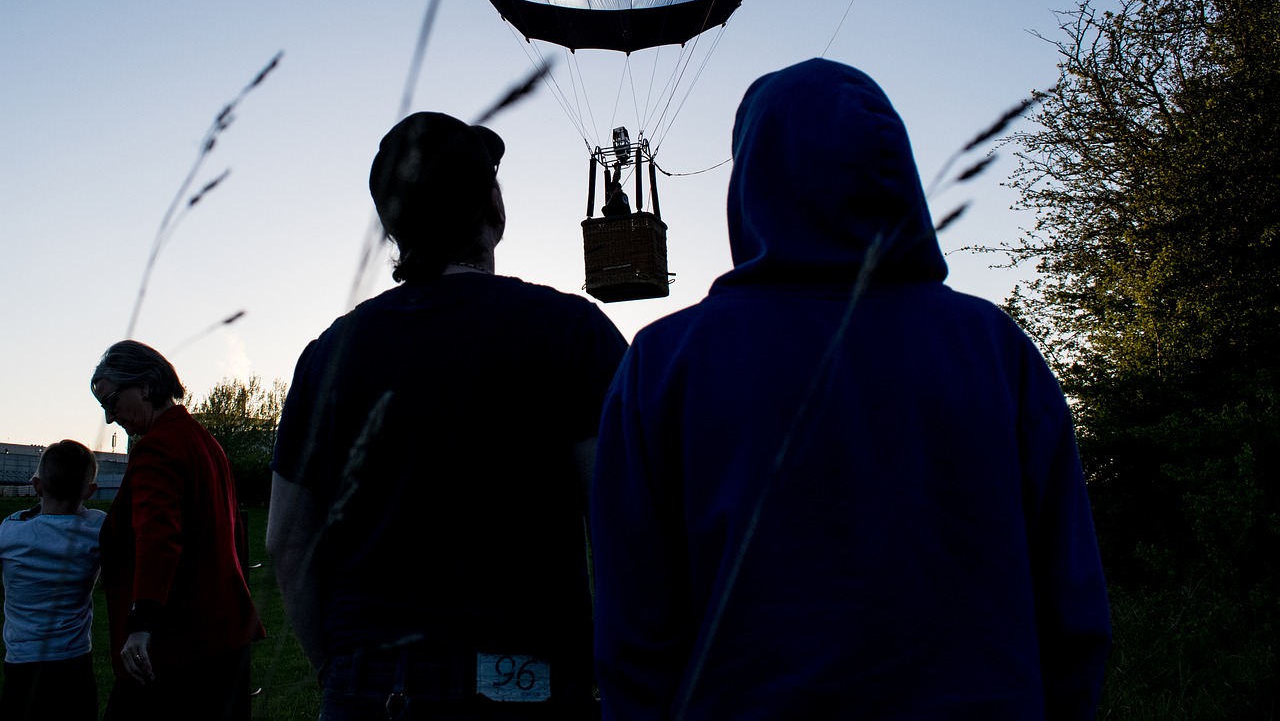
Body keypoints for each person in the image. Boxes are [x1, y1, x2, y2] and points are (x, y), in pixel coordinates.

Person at [590, 59, 1111, 721]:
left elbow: (634, 628)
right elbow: (1073, 608)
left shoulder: (665, 362)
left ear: (752, 179)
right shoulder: (995, 348)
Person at [268, 111, 628, 720]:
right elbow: (625, 522)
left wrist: (334, 668)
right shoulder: (573, 332)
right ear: (493, 206)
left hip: (366, 684)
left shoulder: (326, 355)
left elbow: (283, 539)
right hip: (525, 683)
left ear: (392, 226)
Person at [91, 340, 264, 721]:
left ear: (145, 387)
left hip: (173, 648)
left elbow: (159, 538)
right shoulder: (207, 444)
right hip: (223, 640)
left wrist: (141, 625)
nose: (109, 417)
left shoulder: (157, 447)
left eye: (111, 401)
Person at [0, 440, 104, 721]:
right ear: (91, 491)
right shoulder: (96, 530)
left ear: (36, 486)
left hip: (22, 663)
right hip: (73, 663)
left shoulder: (9, 533)